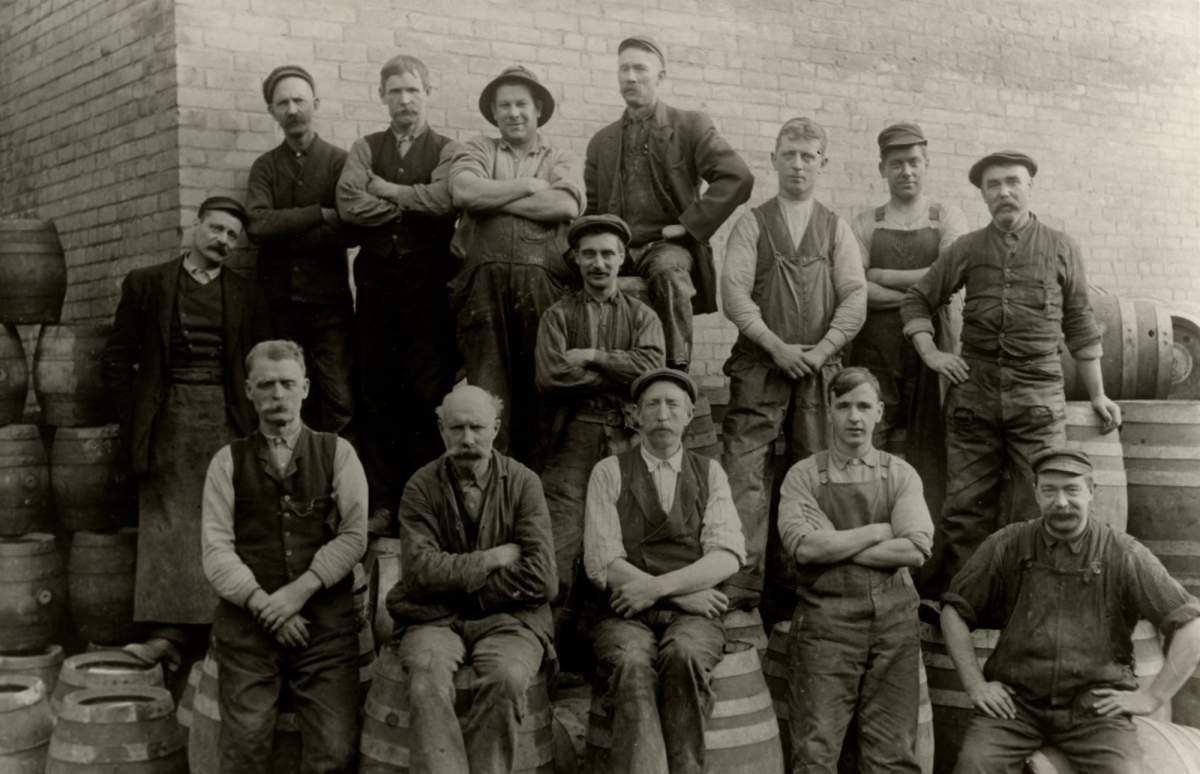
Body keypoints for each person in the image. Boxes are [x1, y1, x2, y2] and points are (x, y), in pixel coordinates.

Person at [900, 151, 1122, 592]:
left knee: (1040, 505)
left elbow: (1079, 322)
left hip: (1038, 397)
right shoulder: (966, 248)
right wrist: (932, 354)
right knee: (964, 510)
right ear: (982, 194)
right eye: (993, 185)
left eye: (1012, 182)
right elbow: (916, 300)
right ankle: (966, 603)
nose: (1004, 192)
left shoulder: (1061, 247)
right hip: (973, 398)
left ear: (1029, 186)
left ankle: (1031, 604)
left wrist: (1097, 394)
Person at [941, 447, 1200, 773]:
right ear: (1036, 493)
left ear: (1092, 492)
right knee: (973, 767)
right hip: (1016, 705)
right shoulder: (1008, 543)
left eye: (1072, 489)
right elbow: (954, 610)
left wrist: (1153, 698)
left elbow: (1191, 624)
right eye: (1049, 490)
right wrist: (976, 685)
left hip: (1095, 710)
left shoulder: (1123, 553)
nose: (1061, 502)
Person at [101, 196, 271, 680]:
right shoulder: (148, 283)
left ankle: (218, 632)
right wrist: (135, 411)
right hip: (166, 417)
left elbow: (260, 362)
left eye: (232, 237)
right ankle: (167, 636)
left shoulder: (246, 294)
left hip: (226, 416)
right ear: (195, 227)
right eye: (216, 229)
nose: (223, 241)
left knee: (220, 521)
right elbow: (116, 358)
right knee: (167, 523)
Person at [719, 117, 867, 614]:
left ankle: (807, 593)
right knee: (745, 478)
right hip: (760, 368)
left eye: (808, 156)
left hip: (817, 375)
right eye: (789, 154)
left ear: (822, 162)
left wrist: (822, 351)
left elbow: (854, 297)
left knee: (815, 478)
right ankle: (740, 595)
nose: (798, 164)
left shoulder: (836, 228)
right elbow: (734, 296)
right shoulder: (751, 223)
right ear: (774, 159)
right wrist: (775, 346)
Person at [200, 340, 367, 773]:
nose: (278, 394)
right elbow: (216, 550)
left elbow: (353, 537)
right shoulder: (226, 463)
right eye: (267, 385)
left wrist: (296, 595)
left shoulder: (339, 453)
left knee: (334, 751)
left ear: (306, 388)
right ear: (249, 391)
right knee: (246, 744)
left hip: (325, 632)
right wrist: (263, 604)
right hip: (248, 631)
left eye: (288, 383)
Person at [386, 384, 557, 774]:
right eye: (457, 428)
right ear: (441, 430)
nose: (467, 439)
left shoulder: (523, 483)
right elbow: (418, 573)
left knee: (508, 678)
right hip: (431, 620)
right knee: (426, 676)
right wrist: (491, 558)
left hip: (512, 622)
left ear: (496, 428)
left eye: (477, 428)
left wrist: (457, 583)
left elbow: (543, 579)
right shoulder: (420, 487)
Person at [583, 368, 746, 774]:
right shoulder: (608, 471)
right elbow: (602, 563)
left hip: (692, 614)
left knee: (686, 656)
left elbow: (727, 555)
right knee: (632, 663)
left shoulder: (710, 473)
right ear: (635, 415)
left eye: (673, 404)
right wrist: (679, 591)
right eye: (652, 404)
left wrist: (659, 589)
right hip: (623, 610)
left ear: (689, 415)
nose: (662, 413)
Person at [777, 367, 932, 773]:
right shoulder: (803, 476)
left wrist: (837, 543)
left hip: (894, 627)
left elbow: (916, 548)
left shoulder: (900, 474)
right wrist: (879, 532)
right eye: (843, 406)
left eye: (864, 406)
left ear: (880, 412)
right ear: (829, 410)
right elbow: (804, 548)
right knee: (815, 753)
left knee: (893, 756)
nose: (854, 417)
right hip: (825, 625)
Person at [336, 54, 460, 534]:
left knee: (428, 392)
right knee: (378, 391)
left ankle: (427, 506)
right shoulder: (364, 148)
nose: (405, 100)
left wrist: (386, 191)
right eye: (395, 91)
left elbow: (444, 199)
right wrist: (410, 206)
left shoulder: (449, 150)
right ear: (382, 96)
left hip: (430, 291)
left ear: (428, 92)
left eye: (413, 90)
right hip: (377, 290)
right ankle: (385, 503)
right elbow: (348, 204)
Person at [534, 213, 665, 664]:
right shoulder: (558, 314)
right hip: (571, 437)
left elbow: (652, 370)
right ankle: (550, 658)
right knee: (559, 545)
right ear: (574, 258)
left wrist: (592, 357)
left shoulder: (642, 314)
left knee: (625, 543)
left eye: (608, 253)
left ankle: (613, 657)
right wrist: (618, 373)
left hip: (626, 438)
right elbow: (551, 377)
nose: (598, 262)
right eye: (588, 253)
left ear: (622, 257)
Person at [584, 35, 753, 370]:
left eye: (639, 69)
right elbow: (592, 207)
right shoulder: (601, 142)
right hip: (616, 248)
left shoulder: (689, 125)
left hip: (663, 247)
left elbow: (738, 177)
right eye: (623, 70)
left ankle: (673, 372)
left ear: (659, 76)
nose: (630, 77)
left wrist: (688, 225)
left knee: (668, 273)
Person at [449, 64, 584, 468]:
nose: (513, 113)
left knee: (542, 390)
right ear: (493, 112)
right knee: (488, 394)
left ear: (538, 108)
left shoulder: (559, 156)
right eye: (503, 105)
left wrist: (494, 201)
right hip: (481, 295)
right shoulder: (477, 149)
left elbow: (565, 204)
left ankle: (538, 492)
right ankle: (494, 488)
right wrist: (528, 187)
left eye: (521, 104)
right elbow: (463, 190)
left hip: (545, 292)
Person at [846, 122, 968, 524]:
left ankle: (924, 556)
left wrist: (881, 276)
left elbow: (947, 279)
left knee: (930, 446)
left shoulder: (947, 217)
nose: (906, 171)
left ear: (927, 163)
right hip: (876, 349)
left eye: (914, 162)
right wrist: (919, 290)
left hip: (932, 350)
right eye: (896, 163)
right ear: (882, 168)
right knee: (869, 435)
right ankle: (866, 531)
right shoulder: (865, 222)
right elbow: (853, 287)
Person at [246, 65, 354, 435]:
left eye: (299, 100)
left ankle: (340, 483)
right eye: (283, 103)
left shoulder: (340, 161)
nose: (292, 109)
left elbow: (349, 228)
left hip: (330, 310)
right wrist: (317, 214)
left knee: (338, 399)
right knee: (281, 400)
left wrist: (287, 231)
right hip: (279, 309)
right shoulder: (265, 167)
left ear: (316, 104)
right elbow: (258, 226)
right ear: (272, 111)